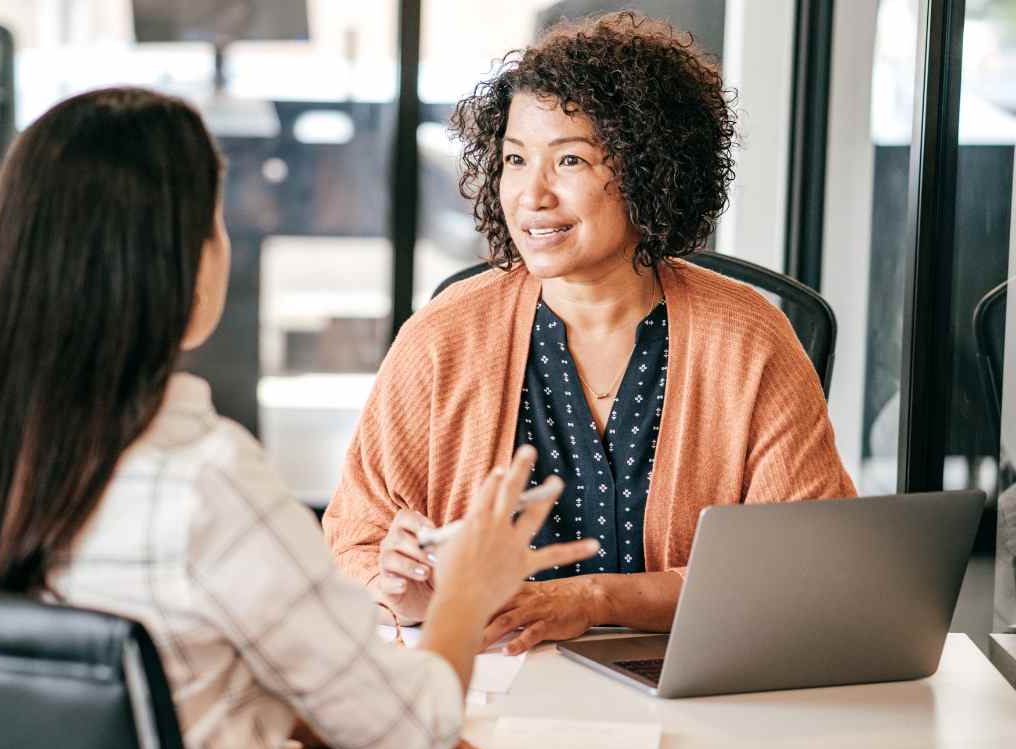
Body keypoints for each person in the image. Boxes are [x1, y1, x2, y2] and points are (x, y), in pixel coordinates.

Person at [0, 87, 597, 749]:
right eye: (214, 222)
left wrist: (302, 702)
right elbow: (409, 740)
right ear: (178, 267)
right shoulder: (206, 481)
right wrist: (465, 594)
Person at [324, 12, 855, 656]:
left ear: (648, 169)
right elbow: (355, 542)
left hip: (687, 682)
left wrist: (596, 599)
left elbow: (799, 565)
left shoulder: (748, 337)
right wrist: (401, 587)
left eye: (569, 159)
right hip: (485, 677)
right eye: (516, 159)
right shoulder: (443, 335)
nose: (531, 195)